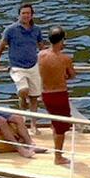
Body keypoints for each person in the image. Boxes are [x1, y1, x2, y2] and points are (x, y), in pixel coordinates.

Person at [0, 2, 44, 117]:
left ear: (32, 15)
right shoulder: (11, 30)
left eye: (28, 13)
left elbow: (41, 47)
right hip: (17, 67)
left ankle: (33, 124)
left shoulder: (36, 30)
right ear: (19, 15)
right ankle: (22, 104)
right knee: (23, 90)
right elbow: (0, 48)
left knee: (34, 97)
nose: (26, 15)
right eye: (23, 13)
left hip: (33, 66)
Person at [38, 27, 77, 165]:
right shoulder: (65, 58)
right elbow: (72, 75)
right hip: (59, 94)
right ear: (61, 41)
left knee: (56, 123)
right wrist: (64, 74)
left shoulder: (41, 55)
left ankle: (57, 152)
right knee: (61, 128)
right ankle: (58, 157)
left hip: (45, 93)